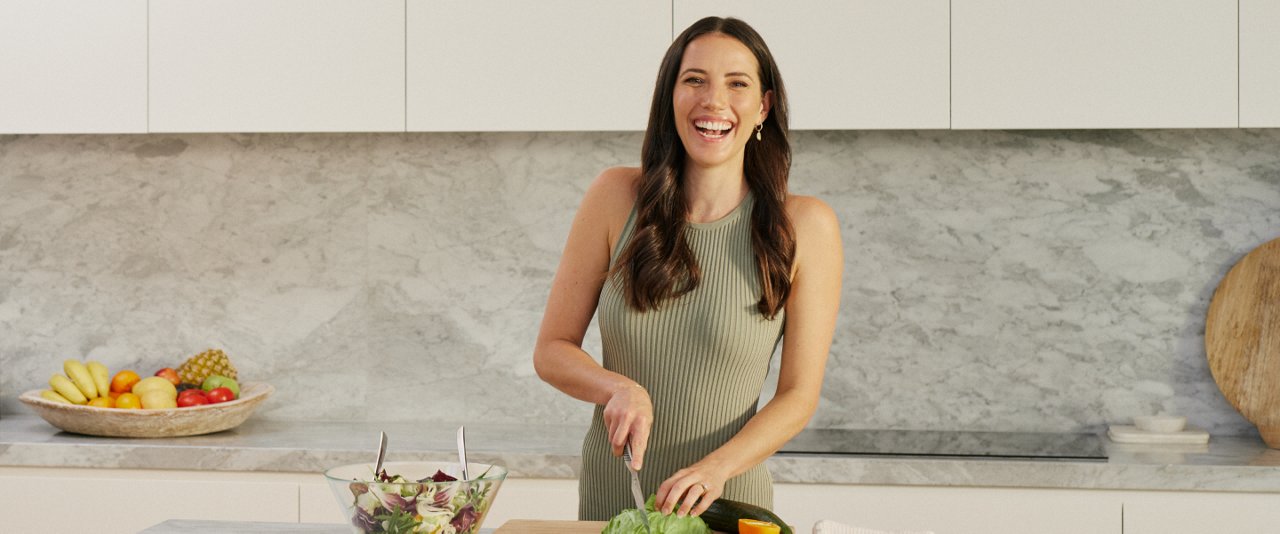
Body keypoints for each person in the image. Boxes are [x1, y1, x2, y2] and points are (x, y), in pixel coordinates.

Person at [533, 16, 843, 522]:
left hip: (728, 505)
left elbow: (798, 395)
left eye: (737, 84)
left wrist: (715, 470)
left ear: (763, 105)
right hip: (617, 504)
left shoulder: (806, 226)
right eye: (694, 80)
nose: (714, 102)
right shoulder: (614, 198)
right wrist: (617, 387)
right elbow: (551, 350)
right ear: (670, 98)